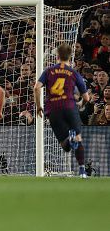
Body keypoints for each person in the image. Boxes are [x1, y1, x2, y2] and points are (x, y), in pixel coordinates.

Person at [34, 43, 90, 178]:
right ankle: (82, 171)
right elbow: (86, 97)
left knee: (65, 147)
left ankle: (69, 140)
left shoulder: (49, 71)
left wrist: (38, 106)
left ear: (57, 56)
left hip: (53, 109)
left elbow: (36, 87)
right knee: (78, 138)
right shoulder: (73, 72)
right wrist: (81, 103)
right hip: (70, 107)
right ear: (70, 57)